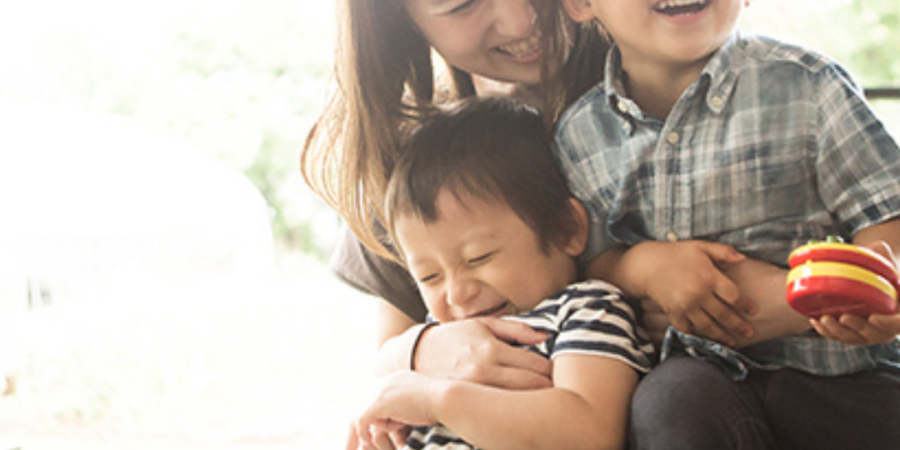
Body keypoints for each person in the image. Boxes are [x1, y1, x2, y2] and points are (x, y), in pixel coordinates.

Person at [552, 0, 900, 448]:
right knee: (668, 403)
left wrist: (877, 295)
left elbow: (886, 214)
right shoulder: (580, 135)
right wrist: (645, 266)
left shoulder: (809, 85)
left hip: (844, 374)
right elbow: (590, 265)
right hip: (698, 383)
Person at [353, 97, 654, 450]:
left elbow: (588, 431)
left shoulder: (586, 311)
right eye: (429, 277)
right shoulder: (435, 341)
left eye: (479, 257)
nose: (455, 294)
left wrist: (438, 401)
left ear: (566, 229)